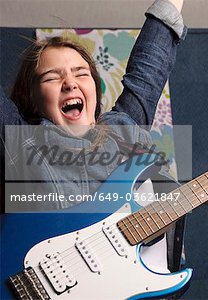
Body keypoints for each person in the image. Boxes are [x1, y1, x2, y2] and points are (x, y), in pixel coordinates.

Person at [0, 0, 187, 283]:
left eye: (81, 73)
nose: (70, 83)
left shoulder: (122, 129)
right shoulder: (20, 141)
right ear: (32, 99)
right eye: (52, 77)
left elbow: (149, 69)